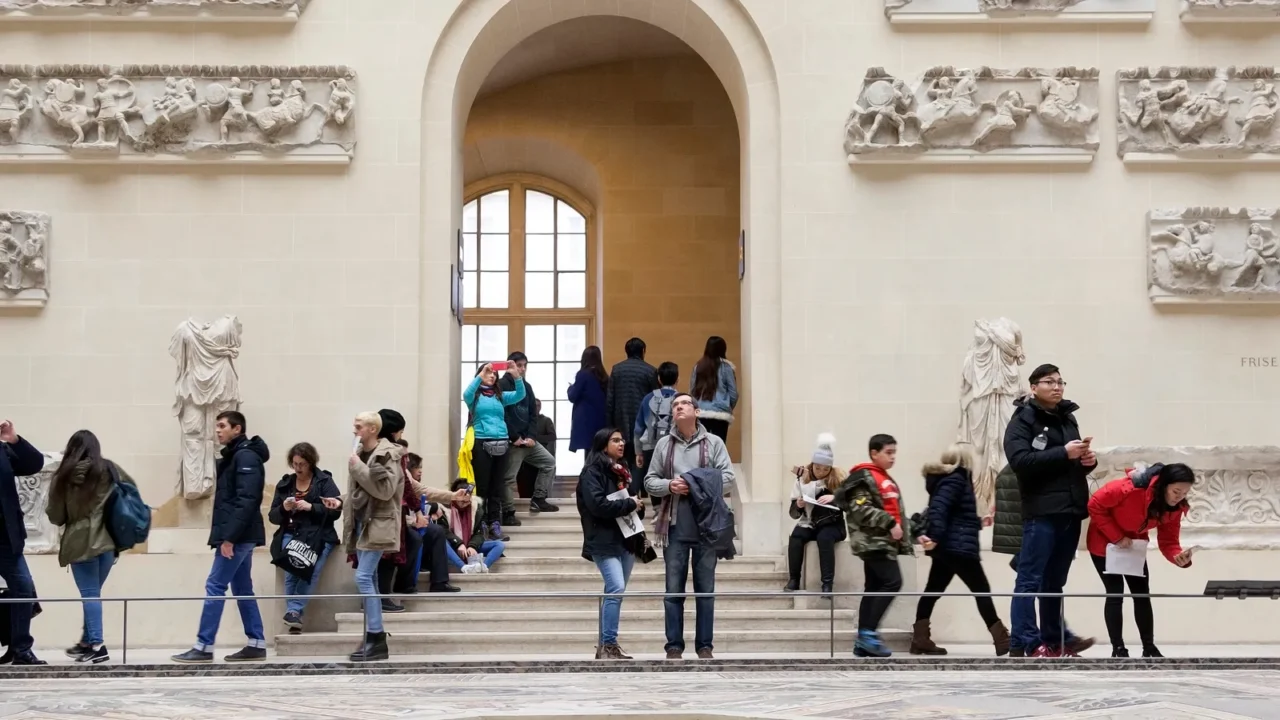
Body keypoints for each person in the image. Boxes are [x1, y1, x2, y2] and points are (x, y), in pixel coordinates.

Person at [1004, 363, 1097, 658]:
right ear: (1033, 387)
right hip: (1041, 511)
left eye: (1060, 382)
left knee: (1054, 581)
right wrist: (1063, 453)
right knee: (1029, 579)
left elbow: (1069, 463)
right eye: (1049, 382)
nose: (1057, 387)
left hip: (1070, 511)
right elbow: (1020, 461)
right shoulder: (1022, 421)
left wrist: (1086, 461)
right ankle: (1025, 642)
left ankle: (1055, 641)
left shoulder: (1068, 418)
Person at [172, 411, 269, 664]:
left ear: (237, 429)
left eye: (222, 426)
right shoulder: (238, 455)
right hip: (241, 534)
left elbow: (246, 500)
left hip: (238, 536)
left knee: (215, 585)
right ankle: (256, 642)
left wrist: (229, 538)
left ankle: (203, 646)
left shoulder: (245, 456)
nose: (218, 431)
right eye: (217, 426)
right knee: (242, 587)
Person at [644, 393, 736, 660]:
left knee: (705, 591)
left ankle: (704, 646)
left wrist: (696, 484)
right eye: (674, 405)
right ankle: (673, 646)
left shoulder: (714, 442)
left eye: (683, 403)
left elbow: (729, 478)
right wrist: (670, 485)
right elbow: (650, 481)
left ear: (696, 411)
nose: (678, 407)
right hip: (674, 527)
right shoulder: (663, 444)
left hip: (707, 527)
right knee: (673, 590)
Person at [46, 430, 139, 664]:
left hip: (80, 543)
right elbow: (131, 493)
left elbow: (56, 516)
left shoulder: (64, 476)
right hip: (108, 542)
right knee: (93, 595)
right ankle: (86, 643)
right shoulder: (109, 469)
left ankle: (98, 645)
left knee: (90, 595)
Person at [909, 443, 1010, 657]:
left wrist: (977, 521)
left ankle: (920, 639)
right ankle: (1002, 640)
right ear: (965, 460)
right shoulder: (955, 479)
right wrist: (935, 537)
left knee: (933, 590)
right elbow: (939, 510)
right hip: (958, 548)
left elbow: (954, 515)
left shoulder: (950, 480)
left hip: (950, 546)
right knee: (981, 590)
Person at [1087, 462, 1196, 658]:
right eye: (1176, 491)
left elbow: (1168, 541)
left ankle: (1149, 648)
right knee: (1115, 593)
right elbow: (1095, 505)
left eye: (1184, 493)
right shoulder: (1130, 488)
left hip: (1133, 546)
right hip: (1104, 543)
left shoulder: (1175, 508)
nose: (1179, 497)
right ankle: (1118, 649)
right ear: (1164, 485)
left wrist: (1178, 557)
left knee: (1142, 594)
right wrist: (1116, 537)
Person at [834, 433, 913, 658]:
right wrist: (889, 524)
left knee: (875, 587)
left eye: (894, 452)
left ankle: (864, 638)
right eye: (888, 452)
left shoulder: (881, 477)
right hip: (874, 542)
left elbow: (894, 511)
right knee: (893, 581)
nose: (893, 457)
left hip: (882, 541)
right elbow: (861, 510)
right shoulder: (863, 477)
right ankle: (868, 634)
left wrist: (911, 530)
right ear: (874, 453)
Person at [343, 411, 406, 662]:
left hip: (379, 523)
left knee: (363, 577)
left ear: (371, 429)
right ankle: (372, 638)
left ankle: (376, 636)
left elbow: (385, 490)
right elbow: (359, 494)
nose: (354, 429)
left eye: (358, 426)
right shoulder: (361, 453)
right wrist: (338, 502)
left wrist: (358, 469)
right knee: (370, 579)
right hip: (362, 522)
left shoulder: (387, 454)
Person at [579, 427, 646, 660]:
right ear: (602, 444)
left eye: (622, 440)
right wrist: (630, 505)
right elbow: (597, 505)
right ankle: (609, 644)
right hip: (602, 540)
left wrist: (638, 506)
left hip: (626, 539)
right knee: (616, 587)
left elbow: (632, 503)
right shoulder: (592, 472)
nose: (621, 444)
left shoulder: (623, 472)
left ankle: (604, 647)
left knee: (614, 591)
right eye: (615, 440)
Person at [267, 442, 341, 634]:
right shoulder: (285, 484)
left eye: (302, 464)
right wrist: (284, 507)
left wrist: (311, 507)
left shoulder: (324, 481)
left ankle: (293, 611)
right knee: (291, 573)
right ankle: (294, 618)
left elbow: (335, 511)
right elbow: (273, 517)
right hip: (292, 533)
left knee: (310, 572)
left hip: (318, 535)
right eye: (295, 464)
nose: (298, 468)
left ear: (310, 463)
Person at [463, 362, 526, 539]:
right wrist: (480, 376)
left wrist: (516, 376)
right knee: (482, 486)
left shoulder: (499, 396)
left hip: (502, 444)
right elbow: (465, 393)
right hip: (481, 443)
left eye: (494, 374)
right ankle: (480, 524)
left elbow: (520, 395)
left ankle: (494, 523)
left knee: (497, 487)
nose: (492, 376)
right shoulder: (474, 396)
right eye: (489, 373)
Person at [0, 421, 44, 667]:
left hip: (6, 538)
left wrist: (13, 438)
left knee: (23, 589)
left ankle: (20, 649)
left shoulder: (3, 449)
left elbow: (33, 464)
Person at [785, 433, 847, 596]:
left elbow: (852, 504)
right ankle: (794, 580)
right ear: (812, 465)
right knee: (796, 536)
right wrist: (798, 505)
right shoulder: (802, 480)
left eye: (825, 469)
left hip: (832, 524)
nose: (821, 472)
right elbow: (793, 514)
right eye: (817, 468)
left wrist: (835, 497)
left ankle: (827, 584)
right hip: (809, 522)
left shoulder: (838, 480)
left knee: (825, 538)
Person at [500, 351, 558, 521]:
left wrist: (532, 436)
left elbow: (533, 414)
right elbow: (501, 415)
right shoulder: (501, 385)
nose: (523, 369)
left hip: (528, 441)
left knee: (549, 463)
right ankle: (509, 513)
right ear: (510, 366)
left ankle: (539, 499)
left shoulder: (528, 387)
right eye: (519, 365)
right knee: (509, 478)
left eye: (525, 365)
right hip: (513, 442)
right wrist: (514, 437)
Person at [399, 451, 461, 595]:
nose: (420, 470)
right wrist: (413, 521)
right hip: (400, 524)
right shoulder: (396, 473)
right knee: (414, 538)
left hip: (412, 523)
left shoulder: (408, 479)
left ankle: (439, 581)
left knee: (436, 531)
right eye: (417, 467)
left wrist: (453, 496)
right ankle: (404, 584)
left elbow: (425, 490)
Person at [606, 338, 658, 480]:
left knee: (623, 457)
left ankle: (627, 489)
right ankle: (643, 491)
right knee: (642, 458)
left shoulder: (617, 369)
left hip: (620, 419)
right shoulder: (650, 370)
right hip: (644, 422)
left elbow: (610, 399)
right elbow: (656, 400)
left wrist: (610, 425)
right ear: (643, 351)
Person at [440, 478, 506, 572]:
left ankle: (483, 567)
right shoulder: (445, 508)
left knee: (499, 544)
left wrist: (472, 545)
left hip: (471, 547)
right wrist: (458, 543)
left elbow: (480, 533)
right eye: (462, 501)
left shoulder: (476, 509)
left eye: (467, 501)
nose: (465, 504)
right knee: (442, 541)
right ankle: (464, 567)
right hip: (453, 547)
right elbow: (443, 531)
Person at [690, 336, 738, 446]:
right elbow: (733, 393)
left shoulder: (698, 367)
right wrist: (728, 406)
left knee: (701, 447)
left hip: (700, 411)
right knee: (719, 446)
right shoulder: (726, 368)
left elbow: (692, 390)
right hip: (721, 413)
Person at [634, 361, 679, 475]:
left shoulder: (648, 398)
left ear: (659, 379)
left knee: (653, 481)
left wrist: (638, 452)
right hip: (674, 447)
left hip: (650, 446)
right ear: (677, 379)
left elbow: (638, 428)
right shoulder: (682, 399)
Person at [568, 346, 608, 456]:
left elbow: (573, 396)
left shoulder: (583, 374)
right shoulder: (604, 376)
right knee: (597, 451)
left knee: (589, 453)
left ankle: (588, 473)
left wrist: (570, 388)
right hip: (601, 420)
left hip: (585, 420)